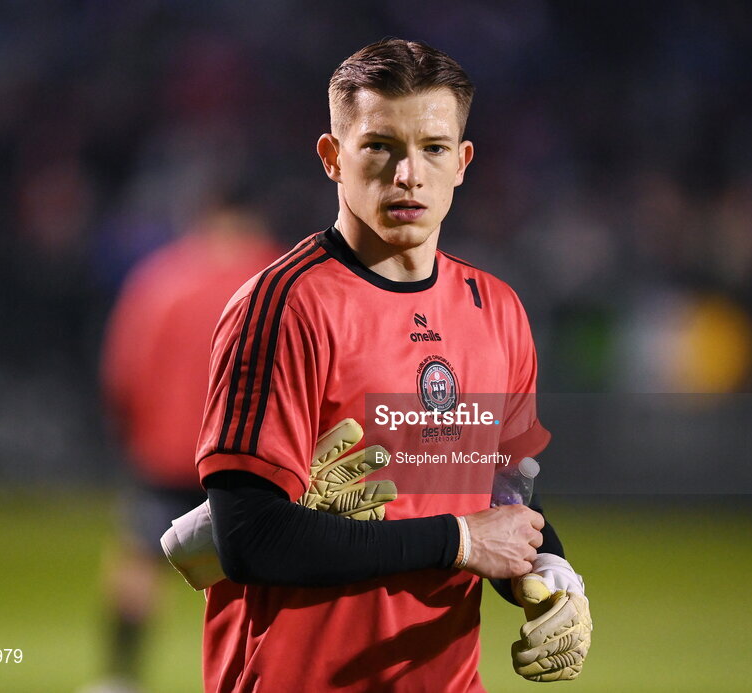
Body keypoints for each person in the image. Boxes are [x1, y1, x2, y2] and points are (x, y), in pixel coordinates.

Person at [193, 39, 591, 692]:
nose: (408, 173)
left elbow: (506, 487)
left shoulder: (496, 309)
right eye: (380, 146)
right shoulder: (284, 306)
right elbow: (248, 537)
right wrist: (460, 542)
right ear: (333, 157)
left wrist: (553, 575)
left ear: (461, 162)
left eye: (432, 148)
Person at [83, 196, 283, 693]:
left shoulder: (159, 277)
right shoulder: (278, 273)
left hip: (168, 451)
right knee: (261, 571)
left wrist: (132, 433)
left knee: (139, 563)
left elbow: (122, 373)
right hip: (250, 454)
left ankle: (119, 678)